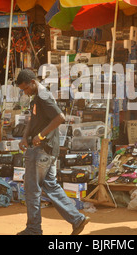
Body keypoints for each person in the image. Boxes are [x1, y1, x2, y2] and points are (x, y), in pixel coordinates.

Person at [16, 69, 89, 235]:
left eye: (25, 88)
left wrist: (40, 136)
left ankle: (34, 229)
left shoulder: (43, 96)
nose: (25, 92)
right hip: (46, 150)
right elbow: (32, 120)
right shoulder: (37, 97)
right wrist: (24, 137)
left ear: (33, 82)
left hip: (42, 150)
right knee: (51, 186)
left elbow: (60, 118)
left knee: (32, 190)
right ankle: (77, 219)